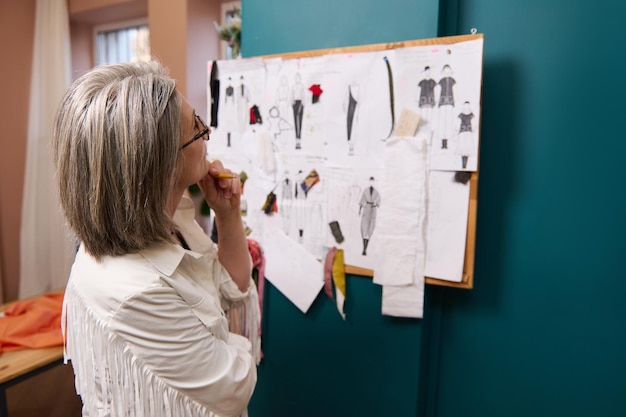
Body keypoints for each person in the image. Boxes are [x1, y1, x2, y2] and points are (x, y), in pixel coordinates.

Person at [53, 61, 258, 417]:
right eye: (196, 128)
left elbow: (233, 290)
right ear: (159, 163)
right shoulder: (137, 287)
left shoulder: (171, 215)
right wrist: (228, 342)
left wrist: (227, 215)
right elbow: (234, 384)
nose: (207, 133)